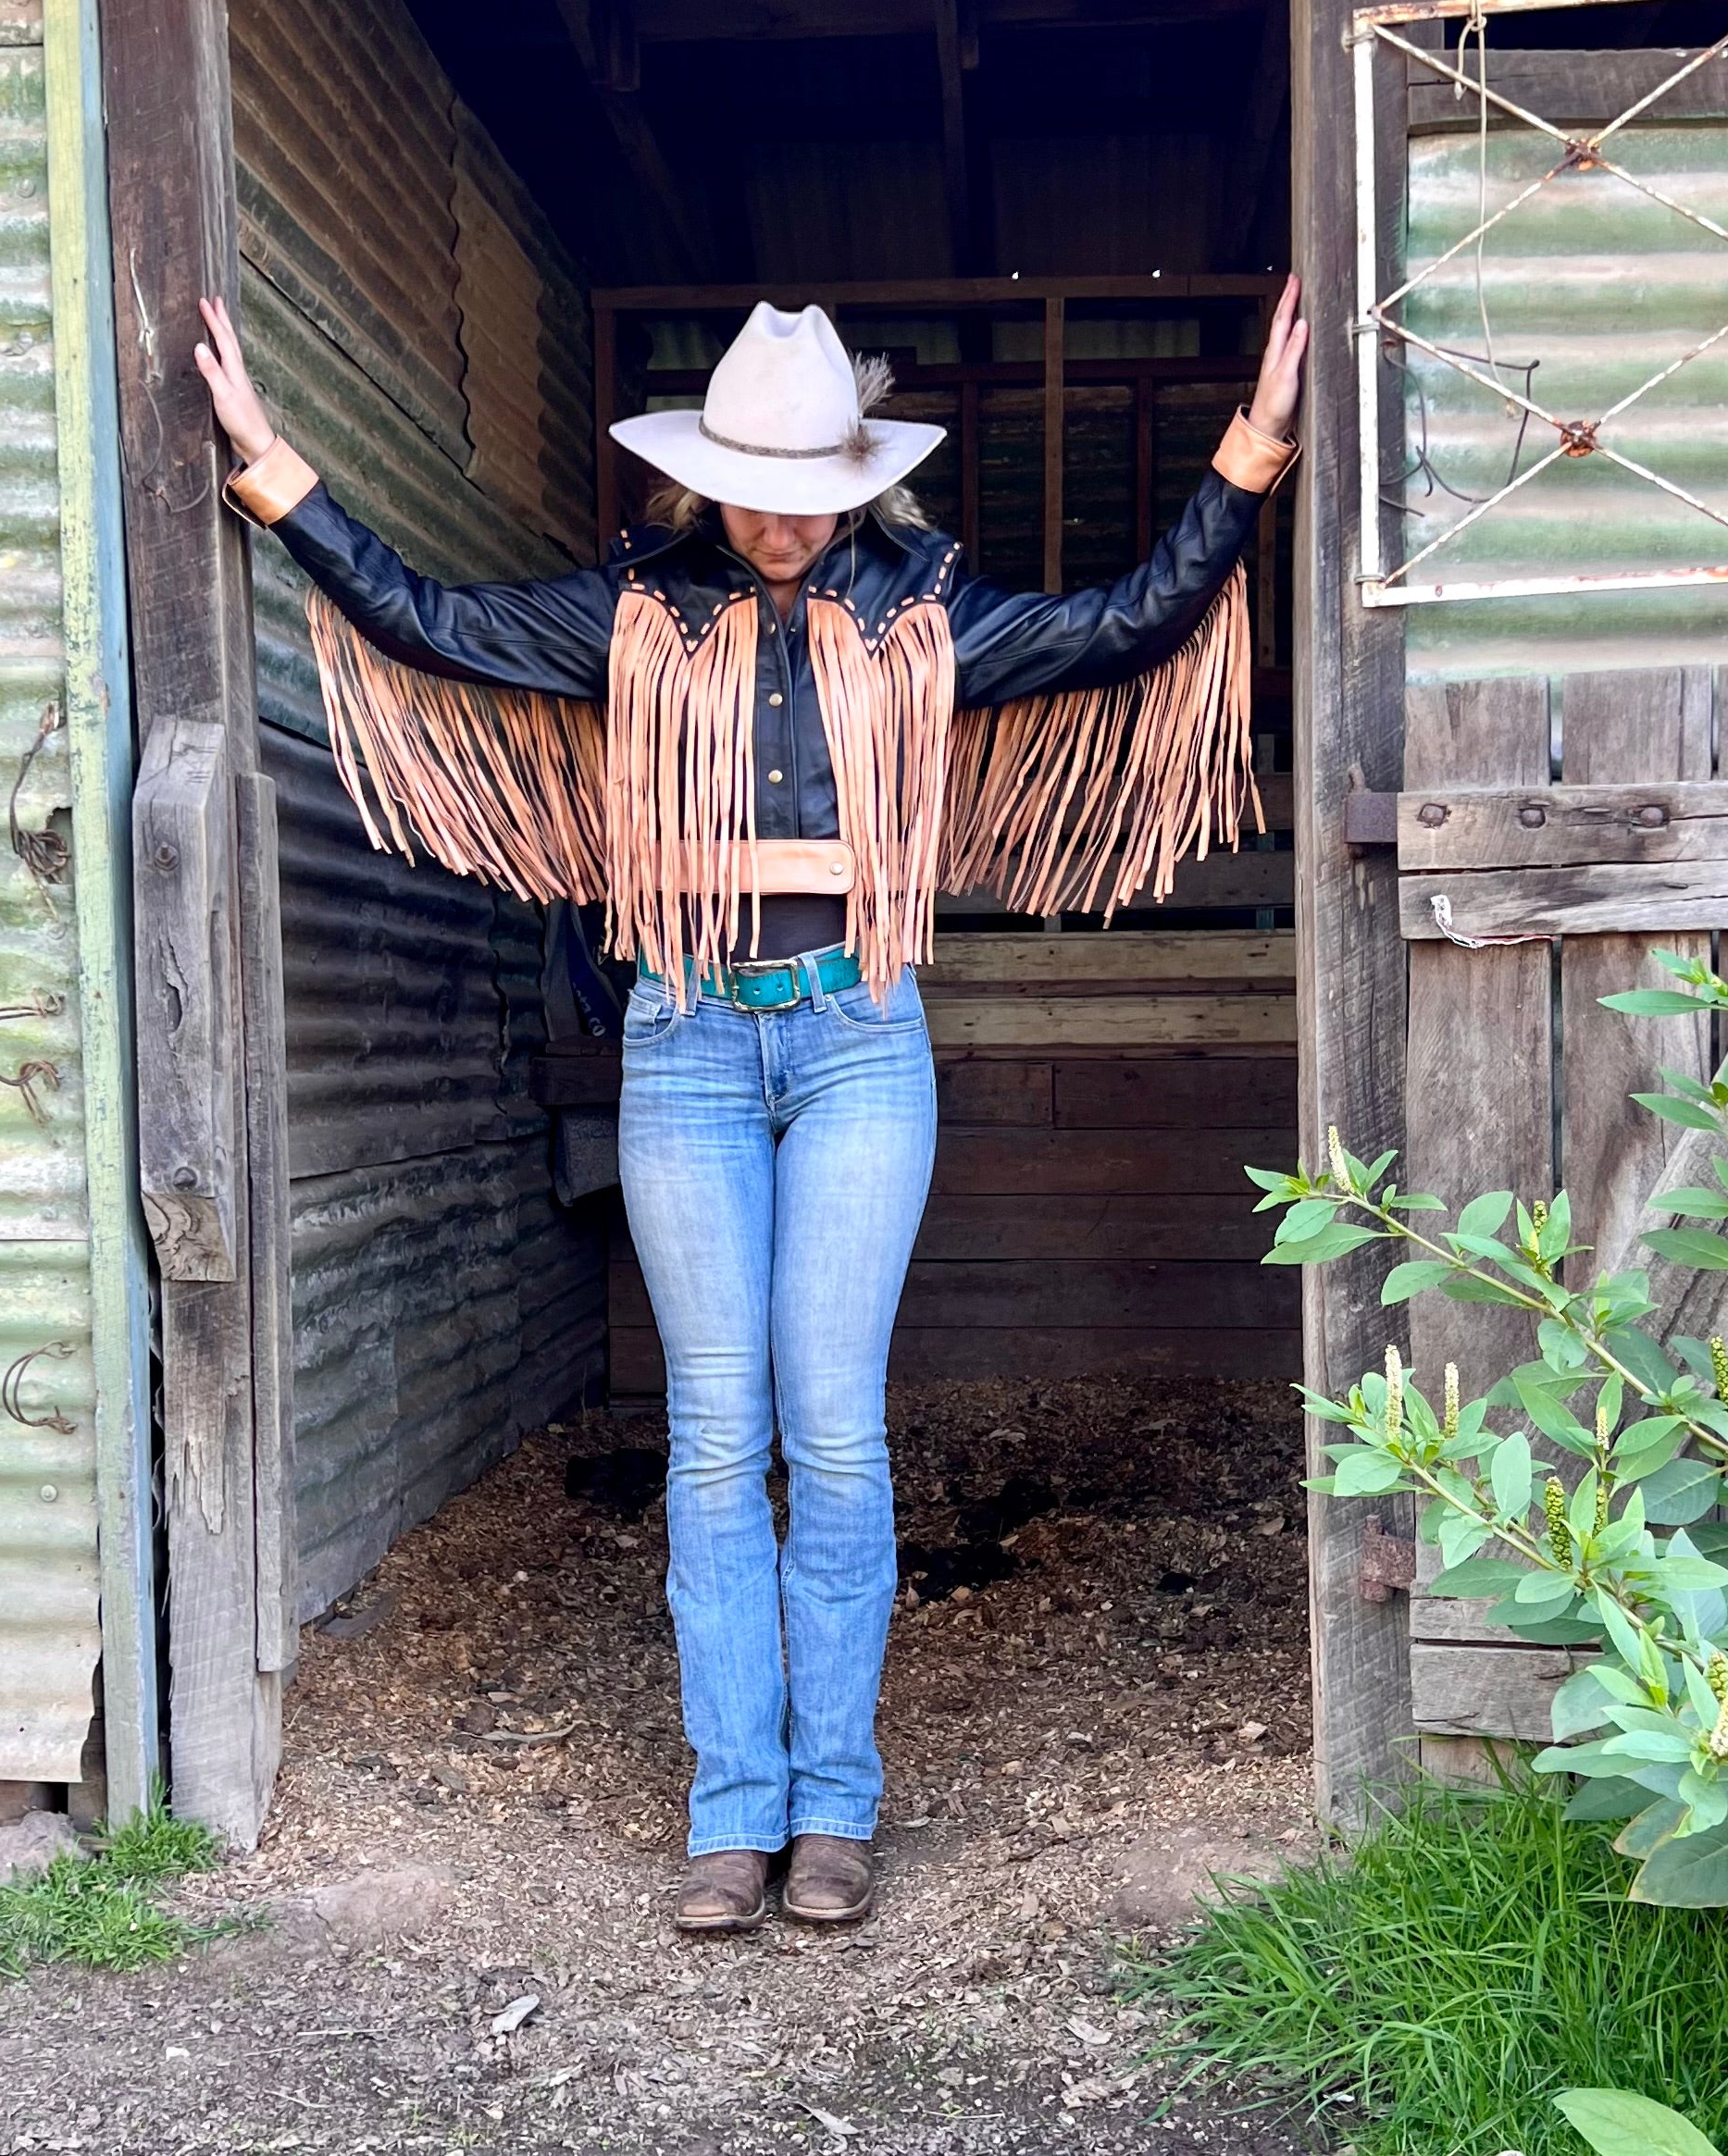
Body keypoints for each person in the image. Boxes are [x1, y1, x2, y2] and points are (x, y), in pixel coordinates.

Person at [199, 279, 1307, 1933]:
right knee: (715, 1438)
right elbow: (428, 618)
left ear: (854, 481)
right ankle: (734, 1810)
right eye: (755, 495)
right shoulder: (632, 610)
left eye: (811, 497)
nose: (782, 527)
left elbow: (1125, 623)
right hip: (685, 1035)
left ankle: (836, 1810)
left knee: (834, 1431)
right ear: (703, 477)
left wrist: (1255, 442)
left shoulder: (924, 609)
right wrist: (273, 466)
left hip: (859, 1036)